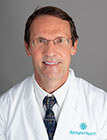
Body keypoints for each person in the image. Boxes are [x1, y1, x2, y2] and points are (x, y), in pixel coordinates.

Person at [0, 6, 107, 140]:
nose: (50, 52)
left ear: (73, 46)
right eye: (40, 41)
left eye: (60, 40)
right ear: (28, 48)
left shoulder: (102, 106)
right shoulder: (4, 108)